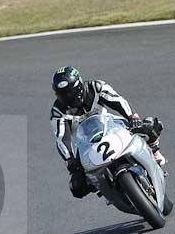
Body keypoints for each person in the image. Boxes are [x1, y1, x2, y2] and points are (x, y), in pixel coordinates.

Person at [50, 66, 167, 198]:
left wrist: (132, 117)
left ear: (78, 87)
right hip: (84, 144)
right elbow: (61, 138)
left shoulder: (96, 87)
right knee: (76, 187)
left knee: (151, 125)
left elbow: (117, 100)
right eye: (61, 94)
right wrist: (70, 160)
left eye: (69, 92)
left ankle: (154, 151)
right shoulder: (57, 111)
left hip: (110, 125)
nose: (66, 97)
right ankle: (103, 186)